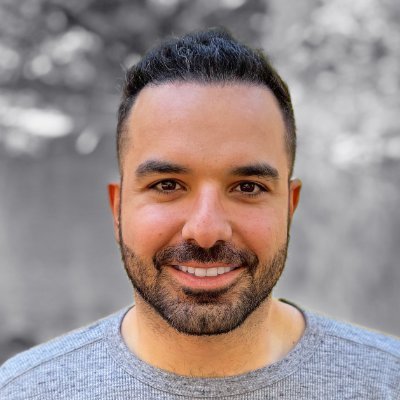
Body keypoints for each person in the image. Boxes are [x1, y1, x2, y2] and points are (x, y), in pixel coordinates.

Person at [0, 28, 399, 400]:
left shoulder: (388, 381)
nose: (206, 230)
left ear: (290, 207)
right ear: (117, 208)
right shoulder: (25, 390)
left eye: (248, 187)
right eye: (167, 185)